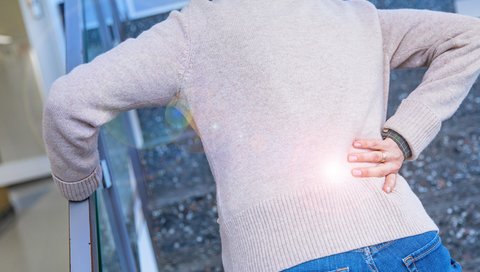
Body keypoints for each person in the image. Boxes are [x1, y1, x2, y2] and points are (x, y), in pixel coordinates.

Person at [42, 0, 480, 271]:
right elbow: (470, 36)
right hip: (409, 242)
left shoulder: (189, 34)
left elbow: (68, 102)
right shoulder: (356, 16)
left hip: (282, 259)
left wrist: (81, 186)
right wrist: (403, 136)